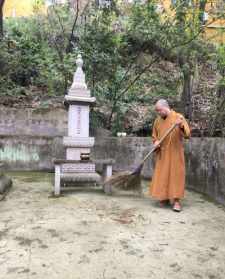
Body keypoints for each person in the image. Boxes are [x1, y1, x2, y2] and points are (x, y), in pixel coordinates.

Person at [149, 99, 190, 212]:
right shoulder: (157, 121)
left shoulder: (178, 117)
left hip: (175, 153)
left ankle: (176, 201)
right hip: (163, 152)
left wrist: (180, 125)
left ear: (165, 107)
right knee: (163, 175)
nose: (158, 113)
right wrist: (156, 142)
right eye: (157, 111)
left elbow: (187, 134)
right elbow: (154, 136)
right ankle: (164, 197)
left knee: (176, 176)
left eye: (159, 110)